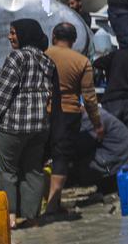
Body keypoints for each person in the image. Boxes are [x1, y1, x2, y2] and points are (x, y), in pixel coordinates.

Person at [0, 19, 61, 228]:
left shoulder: (17, 57)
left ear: (24, 34)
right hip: (39, 127)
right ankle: (32, 217)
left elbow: (2, 92)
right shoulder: (46, 60)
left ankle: (8, 217)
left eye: (13, 33)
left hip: (14, 125)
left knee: (6, 170)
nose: (10, 37)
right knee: (33, 170)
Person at [44, 22, 103, 216]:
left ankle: (32, 204)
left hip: (42, 109)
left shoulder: (43, 55)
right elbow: (89, 97)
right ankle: (53, 205)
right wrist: (97, 124)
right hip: (68, 113)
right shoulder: (82, 61)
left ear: (54, 36)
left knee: (37, 155)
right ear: (74, 40)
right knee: (61, 157)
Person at [71, 107, 128, 185]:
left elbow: (77, 149)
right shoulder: (94, 113)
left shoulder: (88, 119)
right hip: (125, 160)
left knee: (71, 164)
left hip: (121, 165)